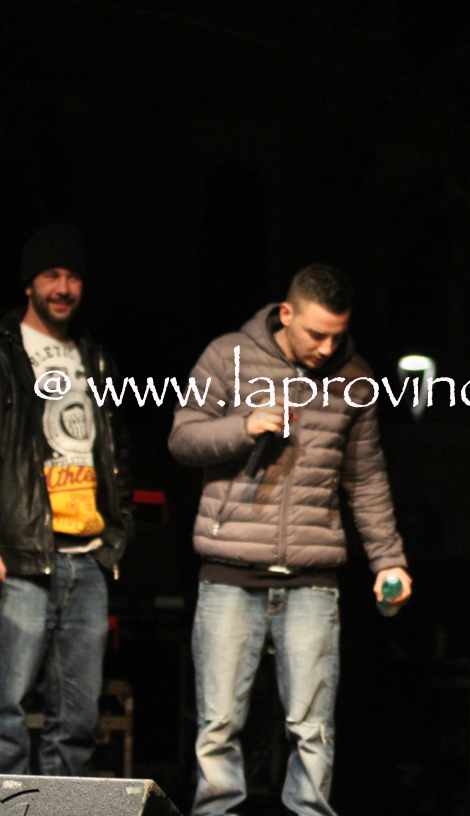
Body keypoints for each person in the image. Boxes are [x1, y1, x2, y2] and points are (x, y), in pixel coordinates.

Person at [168, 264, 410, 816]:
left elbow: (366, 478)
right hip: (230, 570)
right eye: (316, 334)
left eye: (337, 336)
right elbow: (182, 438)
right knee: (218, 725)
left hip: (312, 579)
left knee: (313, 729)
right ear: (286, 314)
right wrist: (244, 427)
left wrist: (388, 560)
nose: (327, 348)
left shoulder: (356, 378)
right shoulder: (227, 355)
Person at [0, 225, 134, 776]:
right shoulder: (6, 353)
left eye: (73, 276)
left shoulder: (96, 359)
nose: (63, 287)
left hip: (88, 558)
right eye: (51, 275)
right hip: (21, 557)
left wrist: (116, 534)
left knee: (77, 723)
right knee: (6, 712)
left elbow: (117, 450)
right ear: (29, 283)